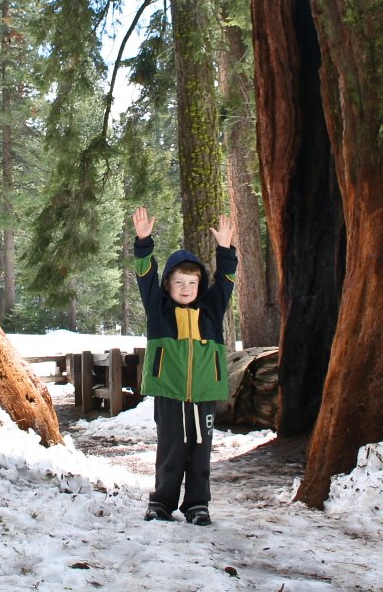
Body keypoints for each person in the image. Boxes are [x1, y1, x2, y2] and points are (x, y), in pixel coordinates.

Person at [131, 206, 237, 526]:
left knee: (200, 450)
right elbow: (144, 273)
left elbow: (227, 278)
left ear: (200, 285)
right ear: (168, 285)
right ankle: (161, 502)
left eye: (192, 282)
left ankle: (197, 504)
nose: (186, 288)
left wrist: (225, 249)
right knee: (171, 448)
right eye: (179, 282)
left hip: (204, 391)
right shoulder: (158, 309)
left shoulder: (212, 308)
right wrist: (144, 241)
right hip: (169, 390)